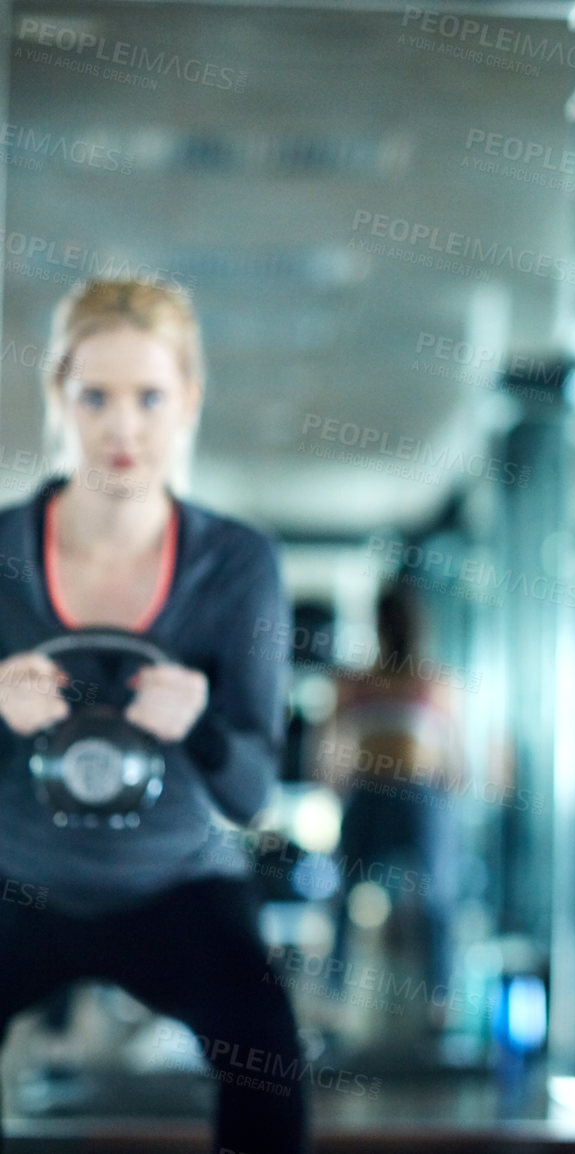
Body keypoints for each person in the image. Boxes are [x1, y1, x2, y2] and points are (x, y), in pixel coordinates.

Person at [0, 279, 307, 1151]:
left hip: (176, 884)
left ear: (188, 403)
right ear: (59, 397)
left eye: (149, 398)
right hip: (16, 876)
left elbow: (252, 796)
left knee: (269, 1063)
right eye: (95, 396)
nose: (122, 429)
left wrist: (201, 725)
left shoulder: (237, 565)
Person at [315, 579, 463, 1037]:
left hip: (414, 797)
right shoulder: (359, 681)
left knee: (435, 902)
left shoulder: (429, 681)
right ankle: (338, 999)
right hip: (380, 793)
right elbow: (330, 743)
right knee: (349, 898)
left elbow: (453, 754)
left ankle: (439, 1002)